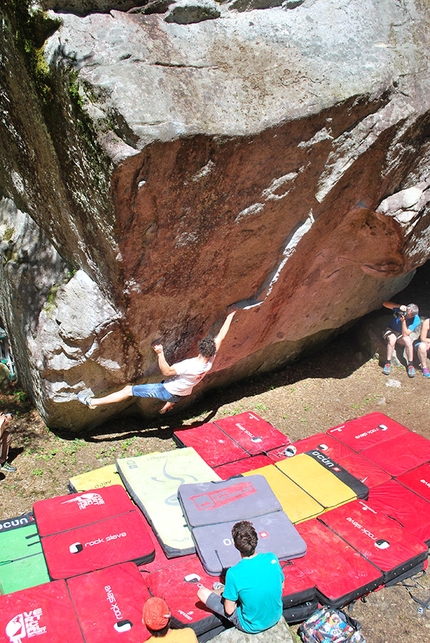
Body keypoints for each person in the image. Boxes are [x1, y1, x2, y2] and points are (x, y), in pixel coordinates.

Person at [77, 311, 236, 414]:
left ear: (200, 349)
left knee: (127, 390)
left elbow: (166, 372)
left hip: (165, 390)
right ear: (211, 352)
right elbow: (221, 337)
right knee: (178, 390)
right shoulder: (210, 361)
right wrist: (231, 314)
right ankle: (168, 405)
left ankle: (93, 402)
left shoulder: (189, 366)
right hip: (182, 391)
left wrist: (160, 353)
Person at [197, 520, 284, 634]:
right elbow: (281, 585)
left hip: (251, 625)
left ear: (235, 545)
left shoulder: (233, 573)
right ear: (255, 541)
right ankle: (227, 590)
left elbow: (229, 610)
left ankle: (225, 590)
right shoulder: (271, 558)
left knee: (202, 593)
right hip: (275, 616)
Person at [381, 301, 420, 378]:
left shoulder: (416, 320)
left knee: (408, 341)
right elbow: (385, 304)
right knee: (392, 339)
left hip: (402, 333)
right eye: (408, 314)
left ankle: (410, 365)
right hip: (391, 330)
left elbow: (406, 334)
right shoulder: (401, 309)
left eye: (411, 316)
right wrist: (399, 306)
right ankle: (388, 363)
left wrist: (403, 322)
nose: (409, 316)